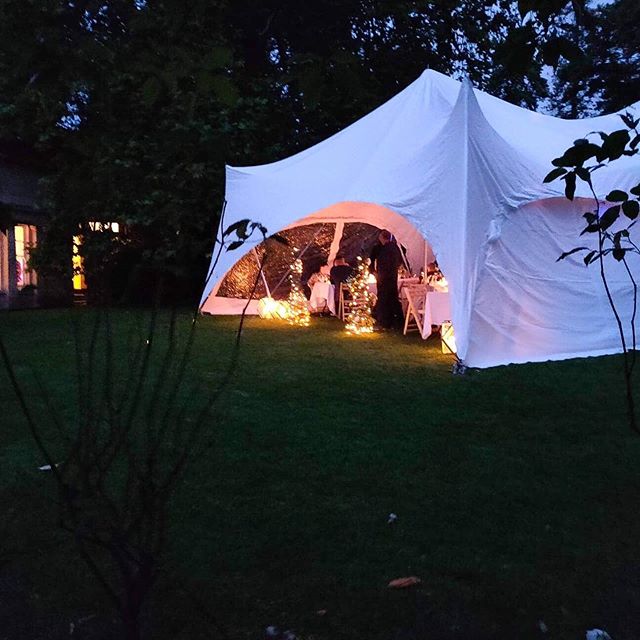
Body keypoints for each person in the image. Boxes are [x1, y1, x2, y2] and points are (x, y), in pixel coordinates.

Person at [372, 229, 403, 329]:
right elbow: (399, 262)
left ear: (382, 237)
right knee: (393, 299)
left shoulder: (385, 250)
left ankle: (384, 323)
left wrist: (378, 275)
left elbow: (383, 265)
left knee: (384, 300)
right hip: (393, 277)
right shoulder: (395, 248)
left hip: (385, 279)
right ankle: (398, 322)